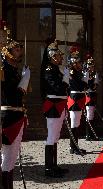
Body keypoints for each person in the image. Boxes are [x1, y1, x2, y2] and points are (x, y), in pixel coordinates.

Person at [1, 37, 30, 188]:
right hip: (8, 117)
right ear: (8, 52)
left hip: (17, 115)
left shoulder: (14, 71)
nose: (20, 52)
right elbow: (12, 95)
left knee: (12, 157)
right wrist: (25, 80)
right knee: (6, 157)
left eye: (20, 50)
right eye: (17, 50)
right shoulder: (4, 70)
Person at [41, 40, 69, 177]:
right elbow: (56, 88)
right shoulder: (48, 70)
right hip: (53, 105)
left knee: (56, 136)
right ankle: (48, 167)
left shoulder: (56, 69)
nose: (61, 58)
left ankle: (54, 165)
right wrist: (65, 80)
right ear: (52, 56)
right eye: (59, 55)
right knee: (51, 137)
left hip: (59, 105)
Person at [67, 45, 88, 155]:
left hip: (79, 98)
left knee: (77, 124)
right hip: (75, 98)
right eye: (78, 62)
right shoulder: (72, 72)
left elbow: (84, 85)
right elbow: (78, 84)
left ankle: (75, 146)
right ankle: (73, 147)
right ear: (74, 63)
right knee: (74, 125)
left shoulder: (78, 72)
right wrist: (84, 82)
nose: (80, 64)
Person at [83, 53, 101, 141]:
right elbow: (85, 84)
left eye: (92, 66)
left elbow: (96, 83)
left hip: (93, 94)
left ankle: (92, 133)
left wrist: (94, 85)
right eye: (89, 66)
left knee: (92, 115)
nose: (91, 68)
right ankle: (88, 134)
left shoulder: (95, 74)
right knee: (89, 116)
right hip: (88, 95)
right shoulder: (86, 74)